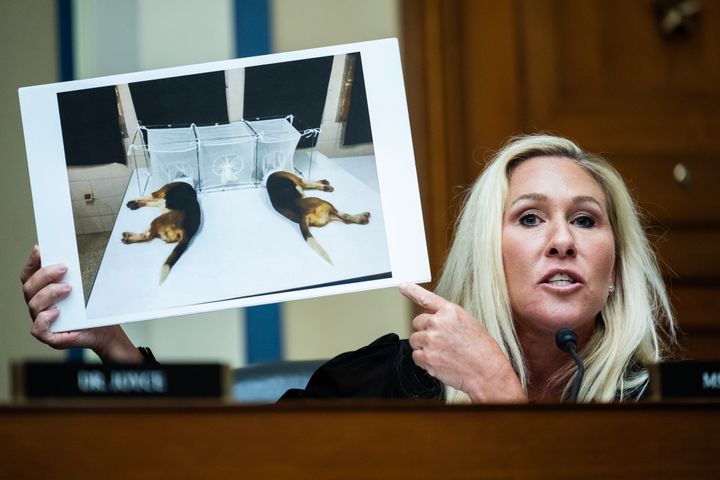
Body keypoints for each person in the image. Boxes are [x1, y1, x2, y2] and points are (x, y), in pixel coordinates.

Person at [20, 134, 676, 403]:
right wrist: (115, 347)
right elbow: (228, 465)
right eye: (530, 218)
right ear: (484, 252)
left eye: (586, 220)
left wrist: (500, 395)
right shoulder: (392, 380)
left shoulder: (670, 415)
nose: (562, 239)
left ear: (613, 270)